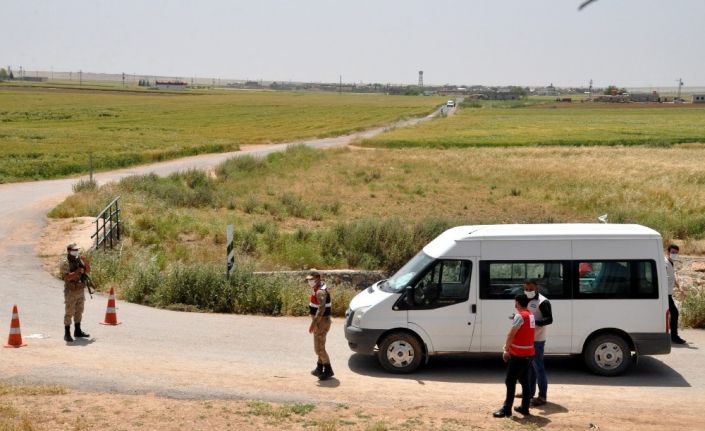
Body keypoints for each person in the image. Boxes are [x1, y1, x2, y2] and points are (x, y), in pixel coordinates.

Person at [494, 293, 535, 418]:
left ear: (517, 303)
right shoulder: (531, 315)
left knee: (510, 381)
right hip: (529, 354)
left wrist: (506, 349)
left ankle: (506, 409)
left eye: (515, 302)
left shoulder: (520, 316)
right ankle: (525, 408)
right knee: (524, 381)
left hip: (518, 356)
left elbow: (511, 335)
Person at [524, 279, 553, 407]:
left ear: (537, 288)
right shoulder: (527, 299)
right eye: (526, 289)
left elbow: (549, 319)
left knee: (539, 368)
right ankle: (529, 393)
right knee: (530, 367)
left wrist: (534, 322)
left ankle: (542, 396)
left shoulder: (543, 301)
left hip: (538, 340)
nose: (528, 291)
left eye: (531, 289)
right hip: (529, 339)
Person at [59, 243, 91, 342]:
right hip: (71, 290)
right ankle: (67, 333)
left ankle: (77, 330)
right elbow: (66, 277)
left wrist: (85, 262)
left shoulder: (78, 260)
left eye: (77, 250)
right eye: (74, 250)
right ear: (69, 251)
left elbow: (87, 271)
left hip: (80, 289)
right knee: (69, 311)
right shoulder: (65, 262)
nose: (76, 251)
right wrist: (77, 271)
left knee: (79, 310)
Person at [307, 270, 334, 380]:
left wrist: (314, 323)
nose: (310, 281)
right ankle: (319, 368)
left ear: (318, 278)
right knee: (320, 346)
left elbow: (321, 309)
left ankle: (328, 369)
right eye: (308, 280)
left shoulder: (320, 292)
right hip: (321, 321)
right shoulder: (319, 288)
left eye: (311, 279)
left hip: (321, 322)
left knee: (319, 349)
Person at [665, 244, 686, 344]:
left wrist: (680, 288)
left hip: (668, 294)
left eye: (676, 253)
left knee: (671, 313)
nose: (674, 254)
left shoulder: (670, 263)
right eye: (672, 252)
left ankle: (670, 334)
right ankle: (674, 336)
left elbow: (672, 278)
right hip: (664, 295)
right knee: (675, 313)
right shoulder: (665, 263)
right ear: (668, 252)